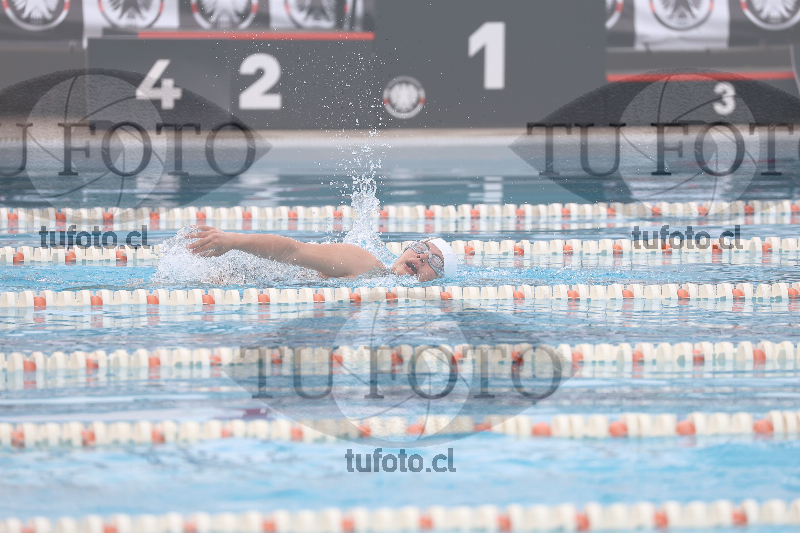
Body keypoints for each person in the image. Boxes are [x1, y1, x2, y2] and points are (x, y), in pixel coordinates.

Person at [185, 225, 457, 282]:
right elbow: (294, 251)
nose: (422, 257)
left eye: (435, 261)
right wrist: (234, 240)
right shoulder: (364, 263)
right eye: (421, 249)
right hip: (240, 282)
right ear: (407, 249)